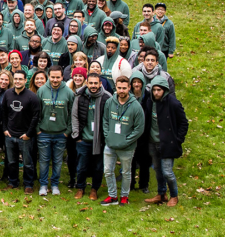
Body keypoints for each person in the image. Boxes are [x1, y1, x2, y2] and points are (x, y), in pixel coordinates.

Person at [100, 76, 145, 206]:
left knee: (126, 172)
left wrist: (127, 141)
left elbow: (139, 128)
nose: (121, 90)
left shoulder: (136, 106)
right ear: (116, 87)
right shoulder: (110, 102)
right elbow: (105, 121)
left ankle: (124, 196)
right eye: (119, 88)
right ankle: (112, 195)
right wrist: (107, 136)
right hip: (110, 144)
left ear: (129, 88)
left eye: (124, 88)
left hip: (127, 147)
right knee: (108, 170)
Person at [143, 76, 187, 207]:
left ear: (165, 90)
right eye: (154, 90)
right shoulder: (150, 102)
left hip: (167, 143)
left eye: (159, 90)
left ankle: (174, 195)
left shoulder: (173, 103)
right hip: (152, 141)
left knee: (167, 172)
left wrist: (178, 140)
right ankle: (161, 194)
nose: (156, 92)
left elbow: (184, 123)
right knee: (157, 169)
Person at [70, 72, 111, 201]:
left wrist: (106, 138)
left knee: (98, 167)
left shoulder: (107, 97)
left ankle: (94, 189)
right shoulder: (80, 96)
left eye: (95, 83)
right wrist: (77, 136)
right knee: (81, 166)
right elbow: (74, 116)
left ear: (100, 83)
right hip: (84, 139)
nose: (93, 86)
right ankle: (80, 187)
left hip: (100, 140)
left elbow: (109, 119)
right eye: (91, 83)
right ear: (86, 83)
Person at [36, 66, 75, 196]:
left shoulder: (69, 92)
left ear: (62, 77)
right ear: (48, 76)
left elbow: (72, 114)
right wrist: (37, 129)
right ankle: (43, 185)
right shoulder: (41, 90)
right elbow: (36, 112)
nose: (55, 80)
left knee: (58, 162)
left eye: (58, 77)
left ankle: (54, 184)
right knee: (43, 161)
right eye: (52, 77)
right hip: (44, 133)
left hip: (61, 133)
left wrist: (67, 131)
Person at [1, 70, 40, 193]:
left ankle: (28, 184)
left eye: (20, 79)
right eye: (16, 79)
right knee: (12, 162)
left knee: (28, 163)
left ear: (25, 80)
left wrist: (28, 134)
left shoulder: (32, 96)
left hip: (25, 136)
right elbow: (3, 113)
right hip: (10, 135)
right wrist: (5, 129)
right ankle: (13, 182)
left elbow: (35, 117)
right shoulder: (8, 94)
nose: (17, 81)